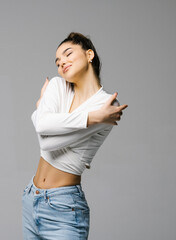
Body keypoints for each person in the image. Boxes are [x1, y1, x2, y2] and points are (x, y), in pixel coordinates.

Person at [22, 32, 129, 240]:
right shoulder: (57, 85)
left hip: (64, 208)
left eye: (68, 53)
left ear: (89, 54)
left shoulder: (107, 106)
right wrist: (93, 118)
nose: (62, 62)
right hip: (30, 198)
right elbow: (43, 126)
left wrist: (39, 110)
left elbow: (48, 143)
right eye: (57, 61)